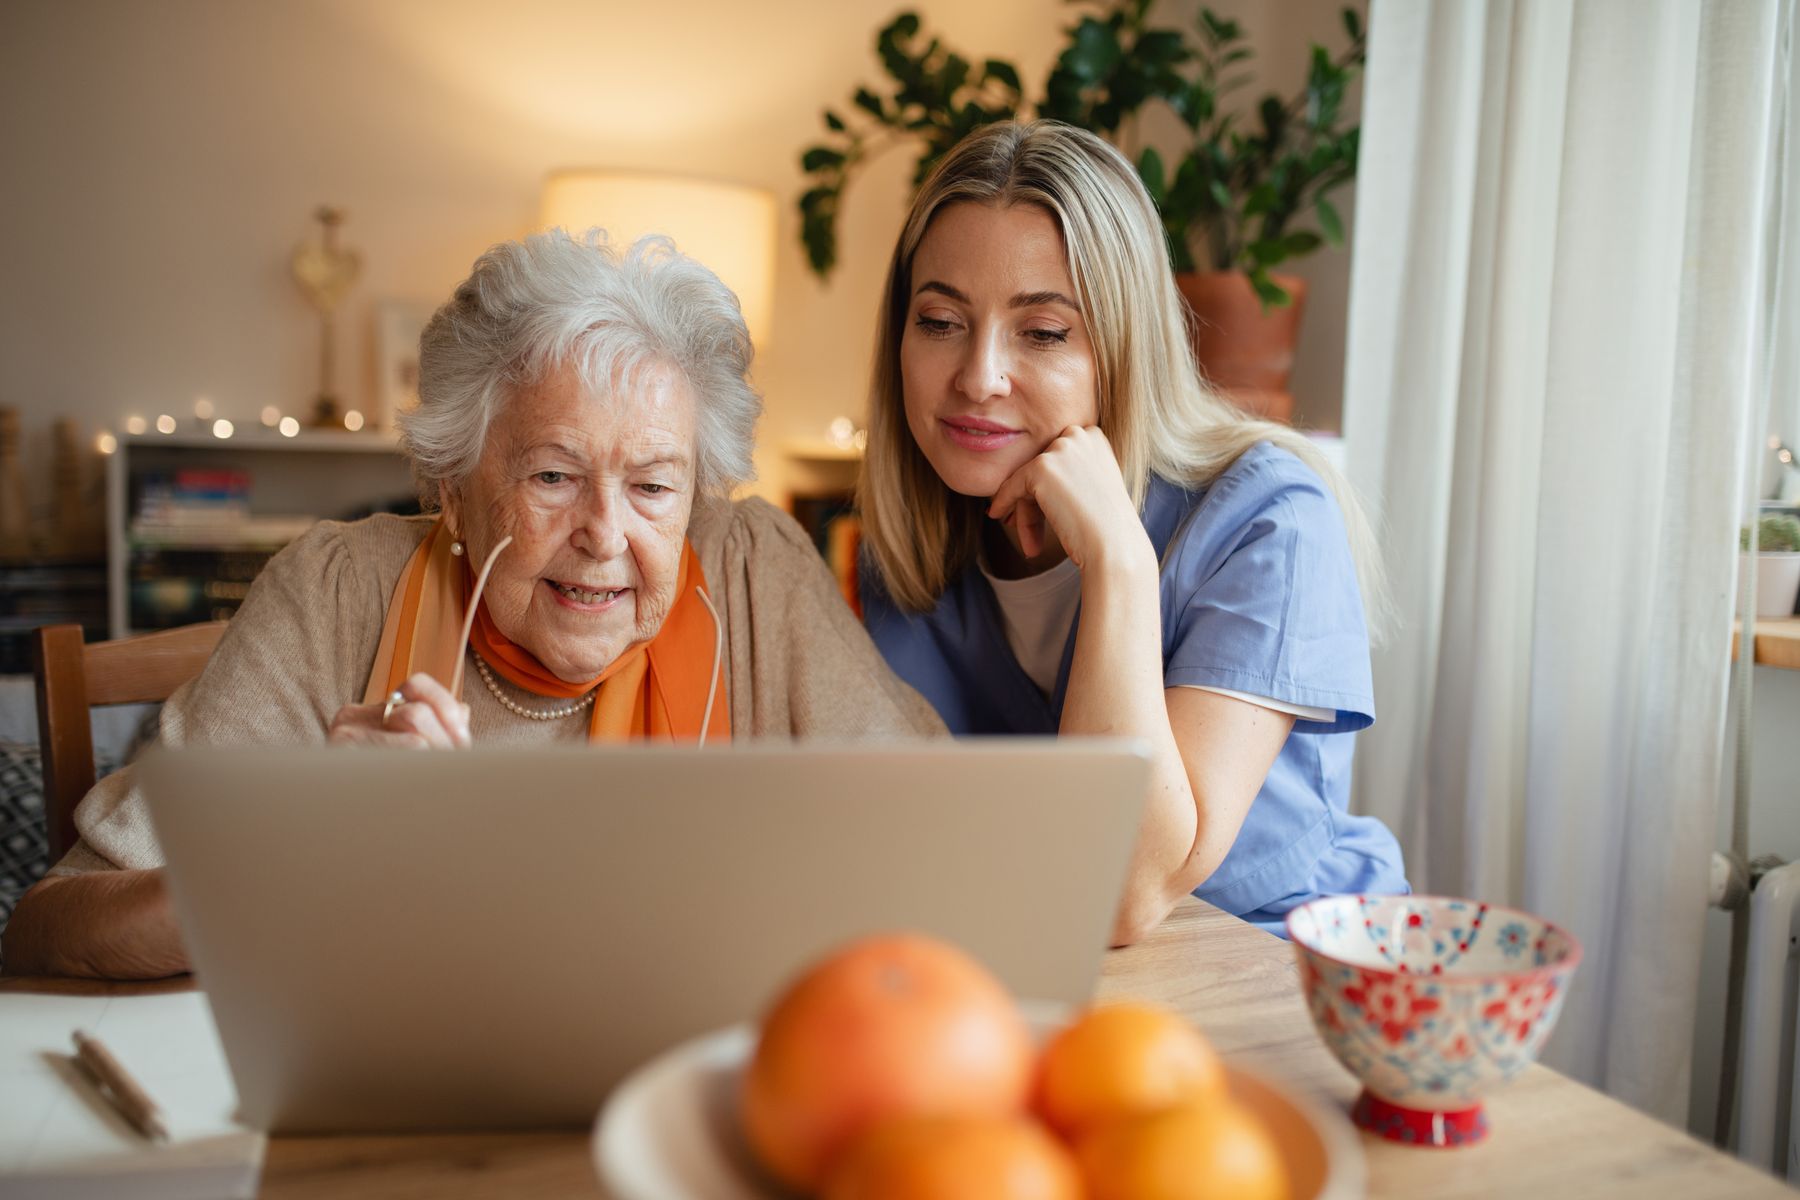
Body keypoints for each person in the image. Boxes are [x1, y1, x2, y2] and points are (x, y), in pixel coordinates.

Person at [5, 229, 942, 979]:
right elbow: (50, 927)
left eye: (655, 487)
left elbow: (950, 850)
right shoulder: (335, 597)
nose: (606, 535)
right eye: (553, 474)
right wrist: (295, 850)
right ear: (452, 489)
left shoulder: (754, 575)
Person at [857, 120, 1408, 945]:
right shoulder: (907, 544)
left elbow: (1118, 893)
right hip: (1038, 977)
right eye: (940, 321)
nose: (978, 376)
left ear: (1124, 347)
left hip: (1286, 979)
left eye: (1043, 333)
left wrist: (1120, 560)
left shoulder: (1271, 519)